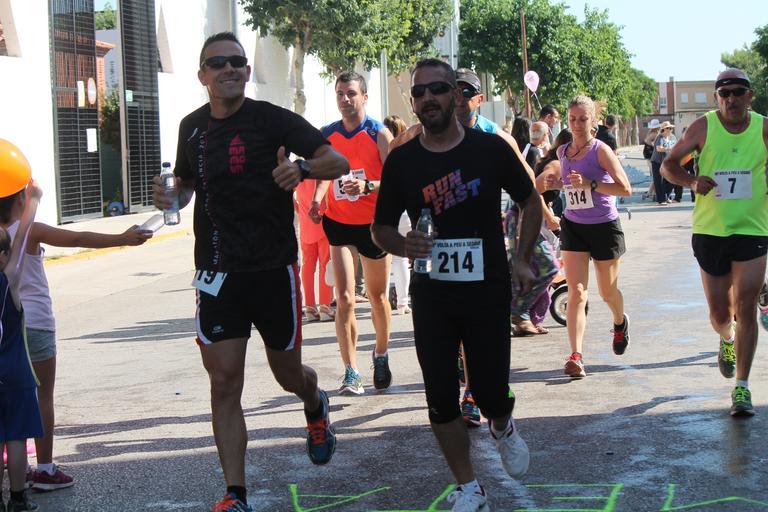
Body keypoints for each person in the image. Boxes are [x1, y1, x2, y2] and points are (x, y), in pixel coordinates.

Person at [152, 32, 348, 511]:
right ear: (202, 75)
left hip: (272, 269)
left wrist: (302, 170)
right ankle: (235, 494)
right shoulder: (191, 127)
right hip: (217, 272)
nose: (230, 69)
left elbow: (336, 160)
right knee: (224, 382)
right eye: (218, 62)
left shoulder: (271, 119)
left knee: (288, 375)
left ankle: (314, 401)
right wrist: (171, 196)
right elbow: (187, 187)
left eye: (237, 62)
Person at [372, 58, 541, 512]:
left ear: (456, 95)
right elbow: (380, 228)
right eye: (419, 92)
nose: (429, 98)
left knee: (489, 391)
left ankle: (502, 423)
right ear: (413, 102)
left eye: (438, 89)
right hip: (432, 292)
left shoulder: (489, 149)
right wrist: (403, 244)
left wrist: (522, 257)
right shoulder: (403, 161)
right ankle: (469, 487)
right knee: (440, 397)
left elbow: (530, 200)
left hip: (485, 287)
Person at [0, 217, 151, 493]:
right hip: (35, 323)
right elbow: (77, 238)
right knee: (43, 396)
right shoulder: (29, 229)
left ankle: (15, 474)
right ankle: (45, 468)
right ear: (19, 198)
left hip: (6, 328)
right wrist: (122, 238)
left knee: (8, 401)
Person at [662, 68, 768, 416]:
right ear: (716, 97)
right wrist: (691, 182)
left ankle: (742, 388)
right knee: (721, 314)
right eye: (724, 93)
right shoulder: (702, 128)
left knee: (746, 304)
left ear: (749, 96)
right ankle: (727, 338)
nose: (731, 99)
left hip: (752, 229)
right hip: (711, 231)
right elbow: (668, 165)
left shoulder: (763, 128)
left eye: (738, 92)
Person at [309, 71, 394, 395]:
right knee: (344, 298)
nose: (345, 99)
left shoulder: (379, 134)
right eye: (340, 93)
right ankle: (351, 371)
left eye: (351, 93)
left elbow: (396, 181)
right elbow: (324, 175)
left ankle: (381, 354)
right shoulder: (327, 134)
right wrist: (317, 201)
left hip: (373, 226)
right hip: (339, 223)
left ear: (365, 97)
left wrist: (367, 186)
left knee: (378, 297)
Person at [543, 95, 632, 378]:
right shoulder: (563, 152)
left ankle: (619, 322)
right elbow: (571, 188)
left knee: (607, 292)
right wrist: (557, 184)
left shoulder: (600, 150)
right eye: (572, 119)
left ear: (592, 121)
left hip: (604, 226)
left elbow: (625, 188)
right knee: (577, 292)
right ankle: (576, 355)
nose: (577, 124)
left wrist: (592, 184)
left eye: (583, 119)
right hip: (574, 226)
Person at [0, 177, 43, 512]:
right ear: (2, 256)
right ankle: (17, 498)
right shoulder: (8, 278)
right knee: (16, 437)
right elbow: (22, 237)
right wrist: (34, 199)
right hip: (14, 371)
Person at [383, 115, 412, 315]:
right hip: (405, 209)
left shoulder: (384, 149)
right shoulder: (408, 150)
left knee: (383, 256)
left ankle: (382, 299)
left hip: (386, 205)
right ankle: (402, 302)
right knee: (401, 257)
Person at [295, 179, 334, 322]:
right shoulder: (323, 172)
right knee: (325, 264)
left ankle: (310, 306)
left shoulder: (299, 173)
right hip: (323, 220)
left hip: (306, 224)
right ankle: (325, 305)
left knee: (308, 266)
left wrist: (300, 209)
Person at [650, 121, 677, 204]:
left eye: (671, 128)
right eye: (668, 128)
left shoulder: (672, 137)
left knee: (670, 180)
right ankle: (661, 199)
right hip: (657, 162)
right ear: (663, 129)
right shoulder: (660, 137)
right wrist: (668, 149)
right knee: (659, 181)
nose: (670, 130)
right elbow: (658, 148)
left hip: (666, 162)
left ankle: (667, 196)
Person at [642, 120, 661, 201]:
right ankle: (650, 193)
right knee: (656, 176)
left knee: (655, 175)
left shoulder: (650, 133)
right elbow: (651, 143)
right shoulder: (655, 134)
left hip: (648, 156)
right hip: (651, 157)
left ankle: (654, 193)